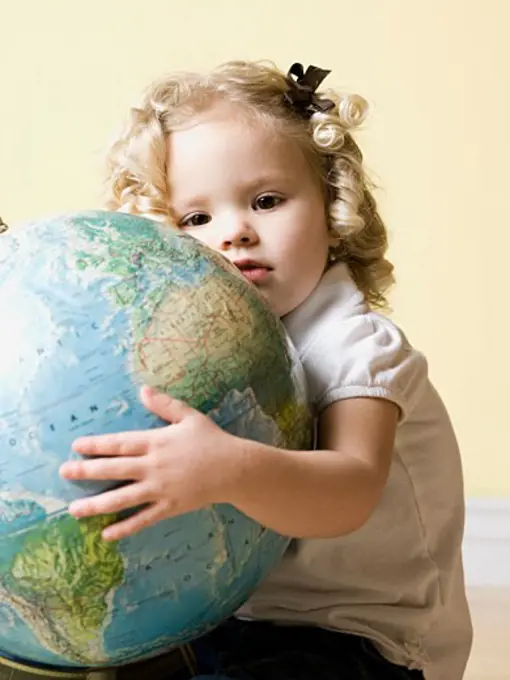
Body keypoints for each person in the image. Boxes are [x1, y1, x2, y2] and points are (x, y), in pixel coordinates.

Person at [58, 61, 472, 680]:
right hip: (236, 618)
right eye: (196, 219)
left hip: (359, 641)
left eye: (267, 200)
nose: (235, 233)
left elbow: (350, 491)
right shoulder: (217, 343)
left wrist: (226, 468)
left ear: (333, 208)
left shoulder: (357, 345)